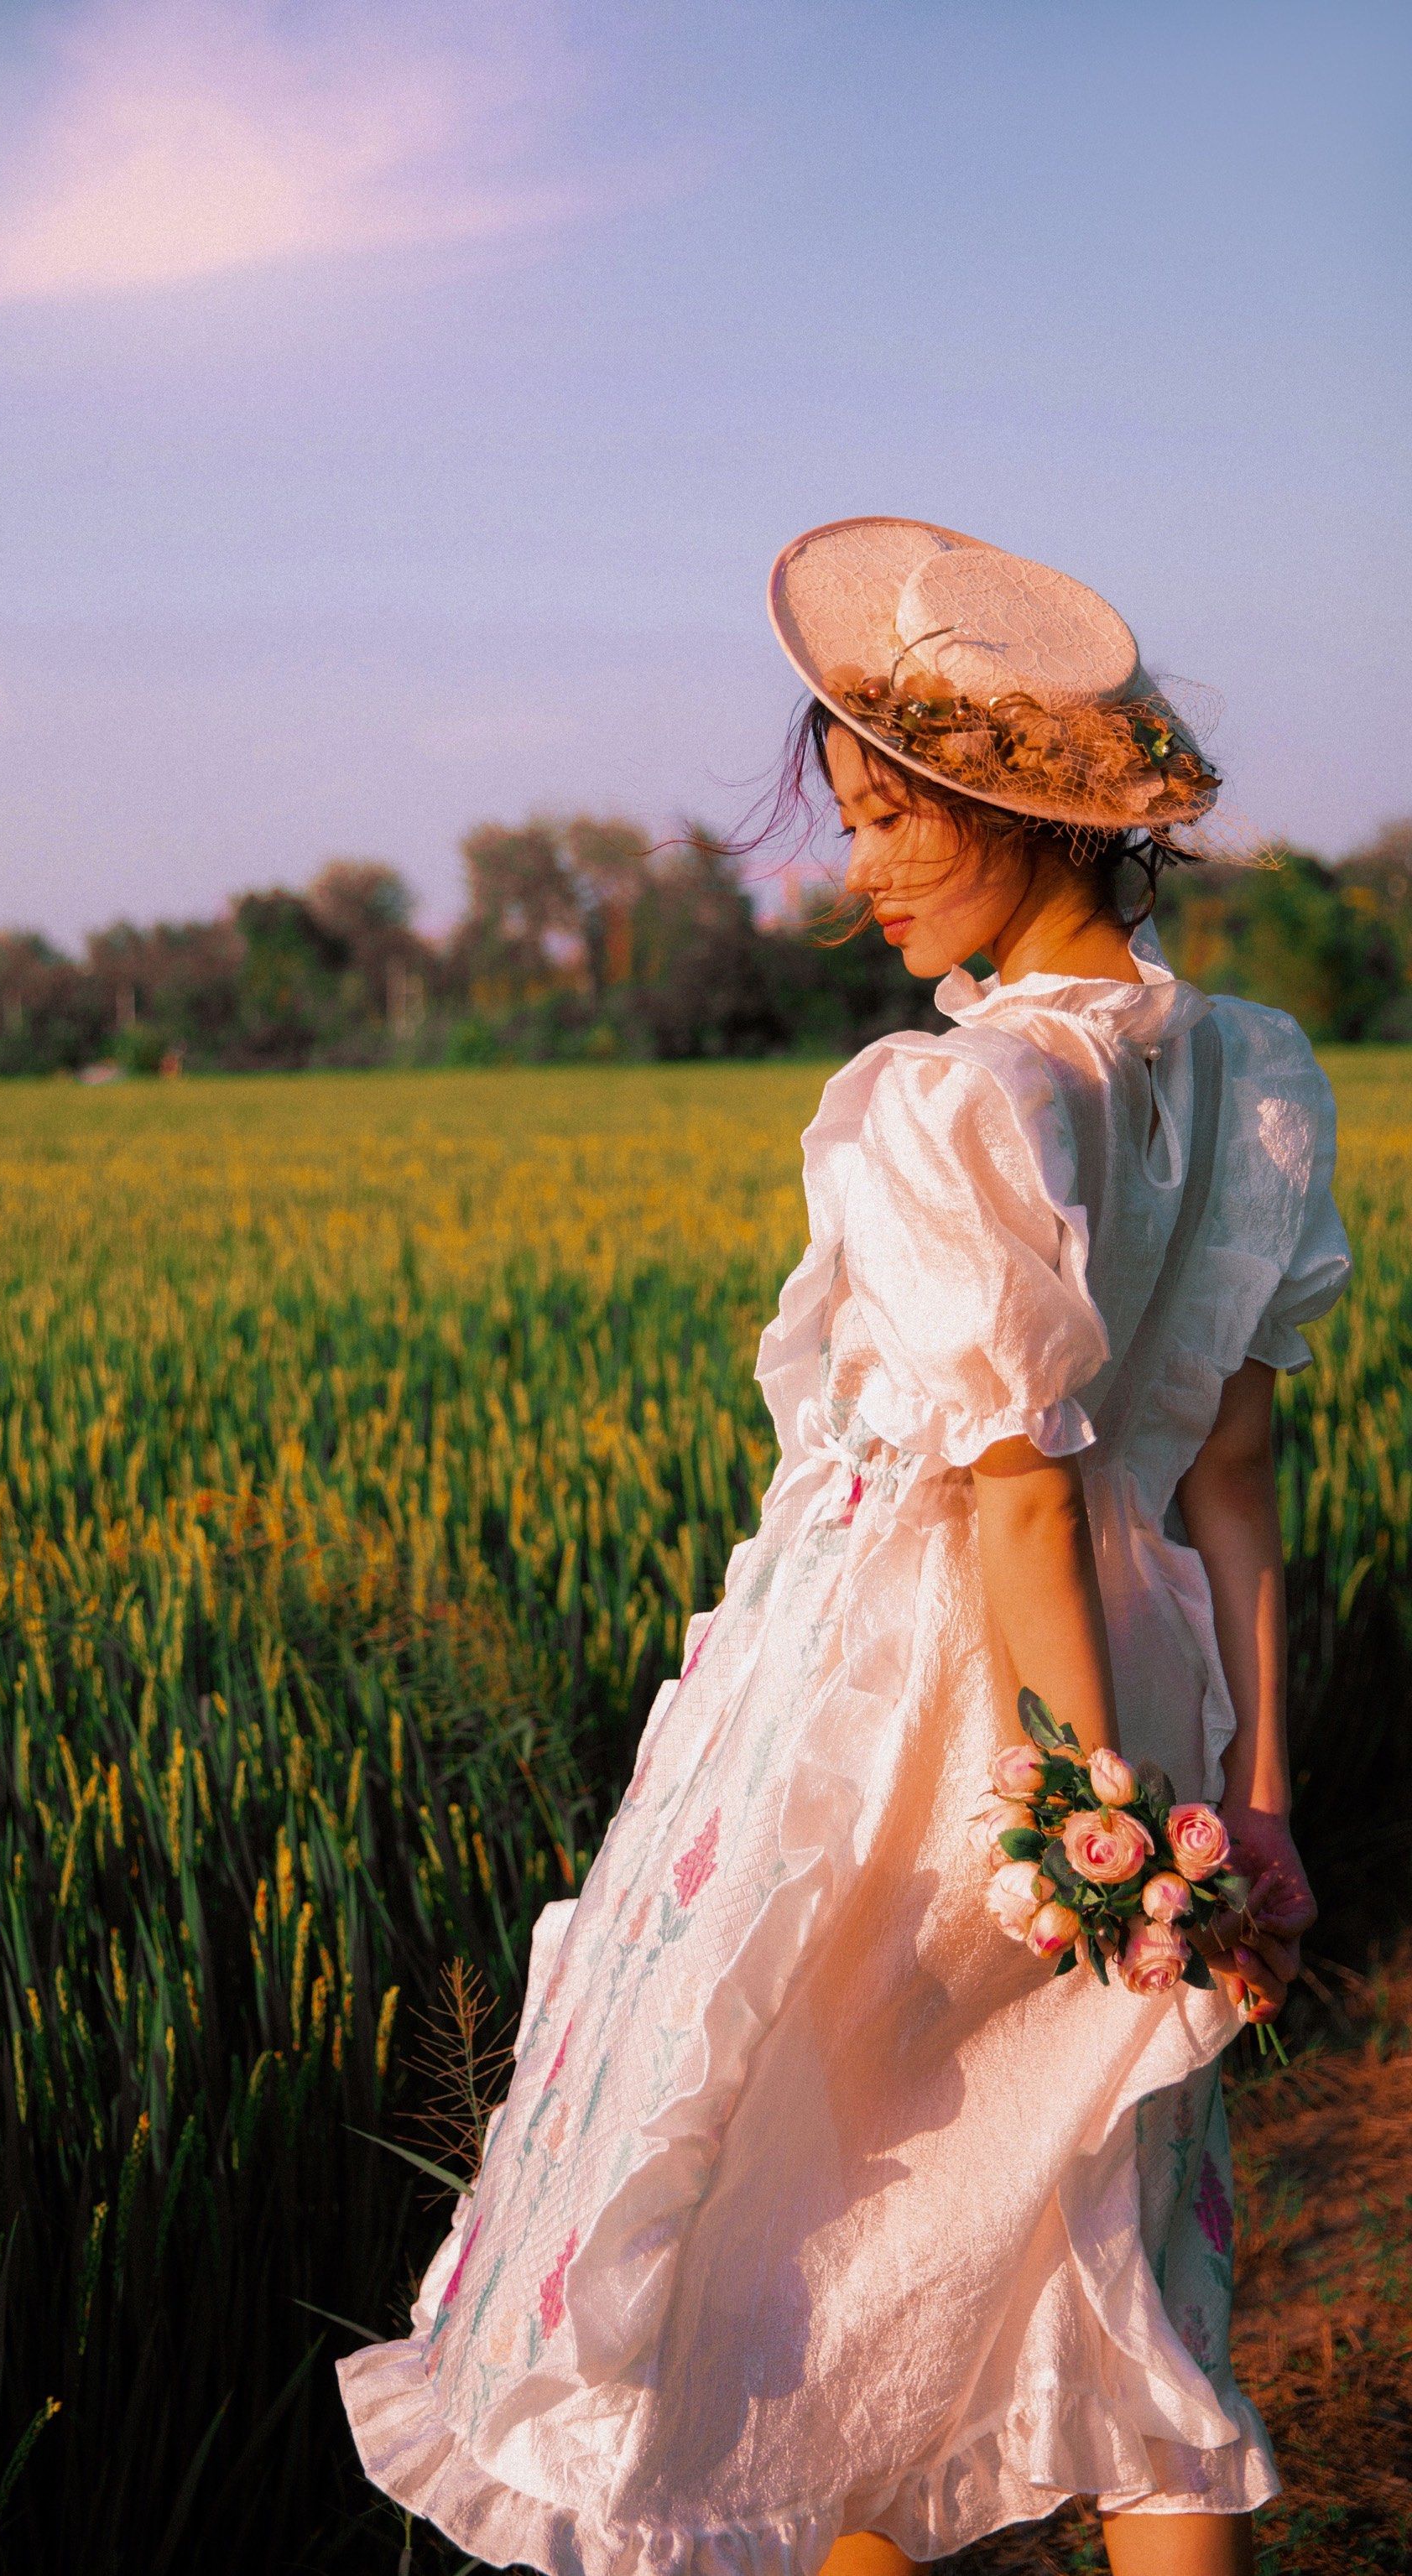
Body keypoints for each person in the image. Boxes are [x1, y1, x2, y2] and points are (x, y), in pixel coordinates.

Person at [338, 518, 1351, 2573]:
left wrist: (1081, 1822)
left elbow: (1016, 1488)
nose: (859, 871)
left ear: (1012, 813)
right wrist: (1235, 1806)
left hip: (923, 1718)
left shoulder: (943, 1101)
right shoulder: (1249, 1070)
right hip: (1141, 1682)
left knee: (812, 2250)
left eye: (896, 822)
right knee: (1108, 2242)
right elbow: (1234, 1480)